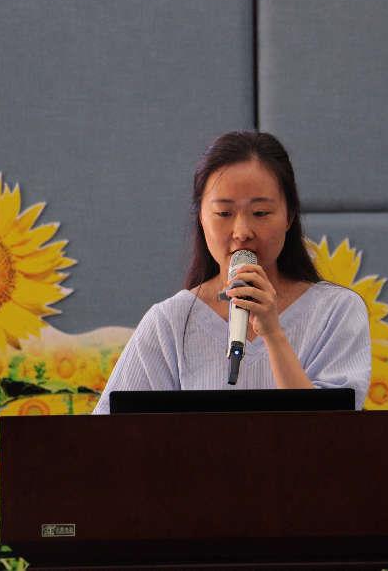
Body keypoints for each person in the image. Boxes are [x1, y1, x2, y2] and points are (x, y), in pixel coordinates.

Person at [92, 131, 371, 412]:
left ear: (289, 216)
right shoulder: (170, 321)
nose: (242, 232)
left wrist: (273, 334)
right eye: (224, 214)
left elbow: (331, 430)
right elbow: (110, 430)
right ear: (201, 218)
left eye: (260, 213)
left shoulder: (336, 311)